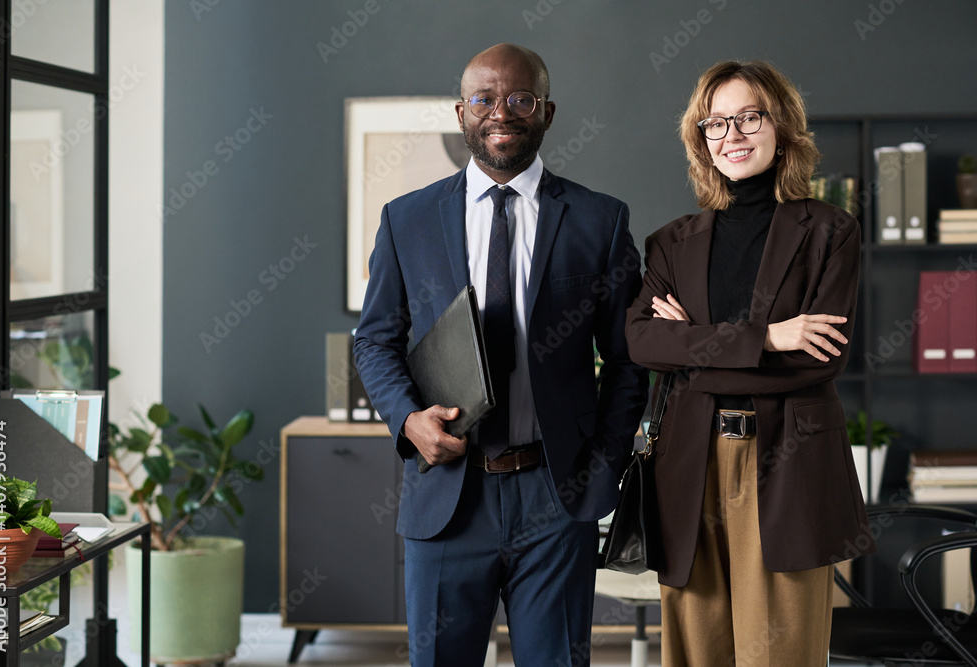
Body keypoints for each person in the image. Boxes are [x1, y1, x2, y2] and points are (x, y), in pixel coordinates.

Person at [354, 43, 648, 666]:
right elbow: (375, 340)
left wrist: (605, 468)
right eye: (484, 99)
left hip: (556, 496)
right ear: (461, 112)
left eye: (519, 99)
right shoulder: (406, 220)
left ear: (546, 111)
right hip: (447, 496)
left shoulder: (600, 221)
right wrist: (407, 421)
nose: (501, 113)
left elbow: (628, 359)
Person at [624, 60, 873, 666]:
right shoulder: (671, 241)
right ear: (700, 139)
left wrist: (692, 350)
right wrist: (768, 337)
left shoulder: (831, 231)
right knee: (697, 652)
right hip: (689, 464)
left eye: (748, 117)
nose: (731, 135)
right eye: (715, 123)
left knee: (781, 652)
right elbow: (639, 342)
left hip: (787, 462)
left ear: (782, 126)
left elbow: (817, 363)